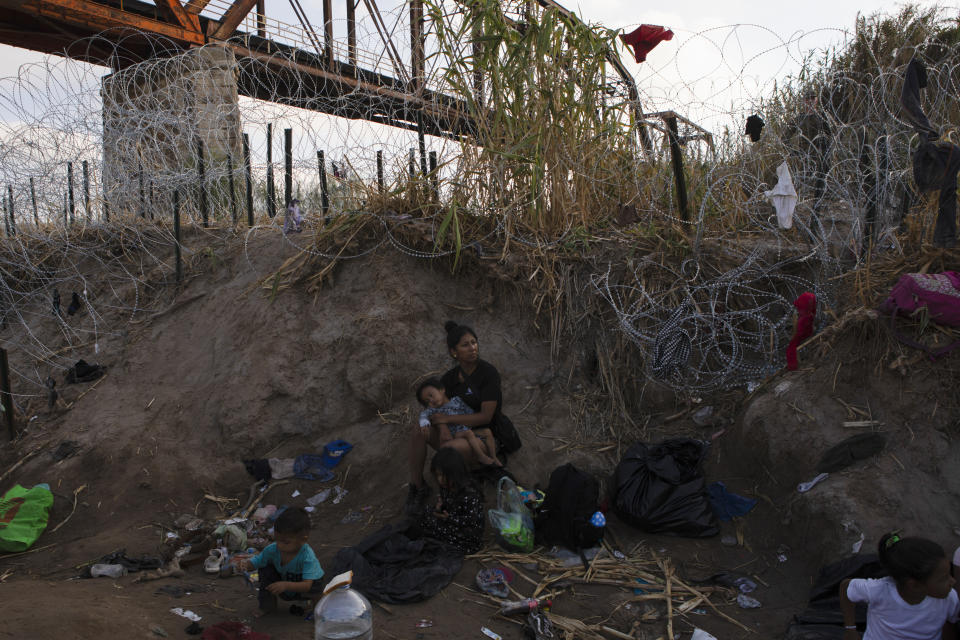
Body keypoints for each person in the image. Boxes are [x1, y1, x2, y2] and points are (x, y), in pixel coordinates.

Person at [407, 321, 509, 512]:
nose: (473, 348)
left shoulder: (488, 373)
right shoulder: (448, 379)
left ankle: (461, 489)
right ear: (454, 352)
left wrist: (447, 421)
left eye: (474, 342)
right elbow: (439, 411)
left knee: (449, 449)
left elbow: (486, 417)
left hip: (482, 436)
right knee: (418, 430)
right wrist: (444, 426)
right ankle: (418, 487)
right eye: (466, 345)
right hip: (455, 435)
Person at [839, 532, 959, 639]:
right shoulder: (879, 590)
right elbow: (846, 587)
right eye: (943, 579)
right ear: (914, 585)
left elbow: (949, 624)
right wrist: (850, 629)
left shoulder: (949, 598)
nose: (953, 581)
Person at [234, 507, 324, 616]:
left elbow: (307, 585)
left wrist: (286, 585)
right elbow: (257, 561)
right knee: (265, 569)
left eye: (286, 542)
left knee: (317, 585)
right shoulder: (272, 549)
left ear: (303, 540)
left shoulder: (307, 556)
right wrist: (246, 565)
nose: (280, 545)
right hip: (283, 584)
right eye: (277, 540)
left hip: (304, 588)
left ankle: (317, 610)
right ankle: (267, 605)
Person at [417, 378, 502, 467]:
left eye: (431, 395)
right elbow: (423, 416)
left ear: (442, 390)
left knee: (487, 432)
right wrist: (424, 424)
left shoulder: (457, 401)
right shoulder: (432, 410)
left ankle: (494, 457)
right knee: (468, 433)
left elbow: (470, 414)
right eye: (427, 401)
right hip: (455, 434)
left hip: (468, 430)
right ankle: (481, 456)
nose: (431, 400)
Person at [417, 447, 485, 554]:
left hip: (468, 534)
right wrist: (440, 506)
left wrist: (448, 518)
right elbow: (449, 504)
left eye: (444, 475)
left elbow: (470, 521)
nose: (440, 479)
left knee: (433, 525)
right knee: (425, 512)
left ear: (455, 472)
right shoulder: (446, 486)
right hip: (452, 518)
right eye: (438, 475)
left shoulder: (470, 494)